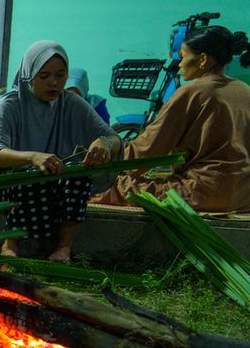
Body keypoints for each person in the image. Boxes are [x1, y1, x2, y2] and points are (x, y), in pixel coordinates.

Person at [0, 41, 120, 263]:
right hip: (8, 184)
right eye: (44, 76)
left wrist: (104, 143)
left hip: (55, 180)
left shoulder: (72, 103)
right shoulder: (9, 106)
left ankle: (63, 248)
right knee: (28, 175)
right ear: (28, 75)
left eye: (60, 75)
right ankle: (10, 243)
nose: (53, 83)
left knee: (78, 176)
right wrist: (32, 157)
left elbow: (114, 138)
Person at [94, 26, 250, 212]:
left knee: (111, 190)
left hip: (202, 191)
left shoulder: (192, 92)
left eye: (183, 56)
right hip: (243, 194)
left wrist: (110, 162)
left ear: (202, 59)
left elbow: (150, 148)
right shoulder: (244, 90)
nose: (180, 63)